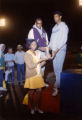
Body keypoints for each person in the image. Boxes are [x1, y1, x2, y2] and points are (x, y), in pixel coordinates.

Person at [24, 39, 51, 115]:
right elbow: (31, 66)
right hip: (32, 76)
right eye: (32, 44)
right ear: (29, 45)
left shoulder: (37, 53)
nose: (34, 46)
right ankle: (32, 107)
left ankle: (37, 107)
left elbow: (39, 65)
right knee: (31, 92)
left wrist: (45, 60)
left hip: (38, 75)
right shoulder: (27, 54)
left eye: (35, 44)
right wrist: (40, 60)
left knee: (39, 92)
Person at [49, 11, 69, 96]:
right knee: (55, 69)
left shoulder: (64, 26)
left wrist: (56, 49)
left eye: (56, 16)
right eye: (54, 17)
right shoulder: (54, 28)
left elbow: (64, 39)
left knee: (59, 69)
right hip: (54, 50)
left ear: (60, 17)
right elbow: (52, 39)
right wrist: (48, 47)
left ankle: (56, 88)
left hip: (60, 50)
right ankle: (59, 86)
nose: (55, 18)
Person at [28, 18, 50, 86]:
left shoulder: (44, 32)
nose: (39, 25)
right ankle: (35, 82)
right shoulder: (32, 31)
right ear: (35, 23)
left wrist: (47, 51)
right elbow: (30, 42)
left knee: (43, 66)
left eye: (40, 23)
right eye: (38, 23)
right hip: (36, 51)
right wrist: (39, 47)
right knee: (36, 67)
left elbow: (47, 42)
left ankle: (42, 81)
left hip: (43, 51)